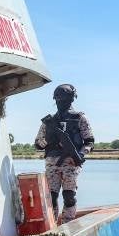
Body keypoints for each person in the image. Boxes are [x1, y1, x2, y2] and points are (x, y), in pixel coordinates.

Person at [34, 84, 94, 223]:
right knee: (52, 196)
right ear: (55, 100)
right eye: (59, 100)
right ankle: (52, 224)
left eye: (65, 100)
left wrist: (80, 155)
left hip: (71, 163)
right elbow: (37, 144)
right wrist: (47, 140)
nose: (62, 103)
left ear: (72, 100)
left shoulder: (80, 118)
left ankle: (67, 223)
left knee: (69, 196)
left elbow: (90, 142)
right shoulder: (48, 122)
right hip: (52, 164)